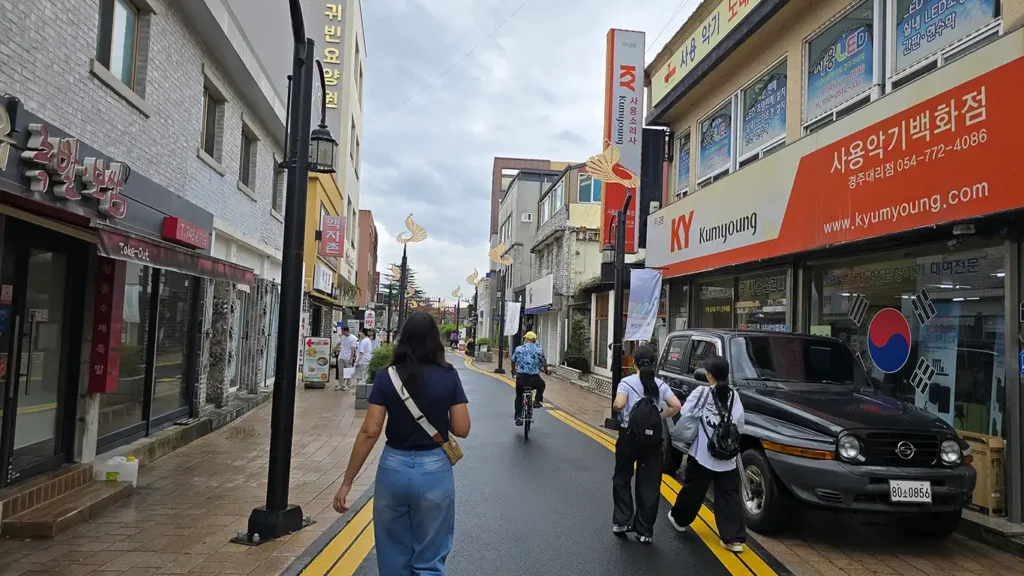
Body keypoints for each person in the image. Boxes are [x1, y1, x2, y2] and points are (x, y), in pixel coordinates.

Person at [333, 311, 471, 575]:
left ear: (403, 340)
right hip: (434, 469)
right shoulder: (448, 375)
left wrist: (347, 482)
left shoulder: (387, 377)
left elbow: (370, 432)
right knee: (430, 558)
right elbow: (462, 428)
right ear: (435, 341)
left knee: (393, 556)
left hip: (393, 468)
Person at [667, 355, 747, 553]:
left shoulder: (702, 392)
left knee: (693, 490)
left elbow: (686, 414)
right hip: (727, 456)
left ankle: (680, 520)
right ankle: (733, 539)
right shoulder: (734, 396)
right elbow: (740, 424)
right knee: (728, 495)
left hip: (703, 453)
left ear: (709, 375)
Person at [611, 345, 682, 544]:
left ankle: (622, 521)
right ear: (653, 362)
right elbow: (676, 405)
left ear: (634, 362)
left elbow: (619, 404)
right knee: (650, 483)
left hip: (629, 436)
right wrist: (659, 417)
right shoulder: (660, 384)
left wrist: (617, 406)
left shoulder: (626, 382)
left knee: (622, 477)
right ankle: (645, 531)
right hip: (653, 440)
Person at [509, 331, 547, 426]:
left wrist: (513, 370)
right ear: (534, 340)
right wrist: (545, 370)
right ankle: (537, 401)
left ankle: (518, 417)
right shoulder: (539, 350)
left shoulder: (519, 349)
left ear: (526, 339)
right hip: (535, 379)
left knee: (518, 397)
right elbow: (544, 363)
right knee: (542, 385)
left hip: (522, 379)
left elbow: (513, 360)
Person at [335, 326, 358, 391]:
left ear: (345, 331)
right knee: (340, 372)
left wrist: (351, 359)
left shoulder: (352, 338)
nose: (341, 332)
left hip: (348, 358)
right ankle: (340, 385)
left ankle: (347, 385)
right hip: (341, 357)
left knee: (348, 372)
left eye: (342, 331)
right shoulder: (342, 337)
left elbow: (353, 350)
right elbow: (338, 344)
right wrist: (332, 351)